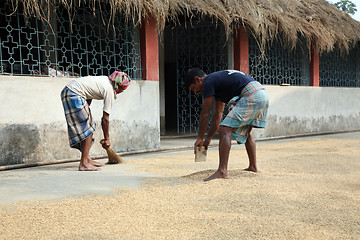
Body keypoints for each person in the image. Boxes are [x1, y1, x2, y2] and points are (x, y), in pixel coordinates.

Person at [185, 68, 269, 181]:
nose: (196, 92)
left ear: (198, 79)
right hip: (262, 93)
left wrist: (200, 137)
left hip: (251, 94)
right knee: (246, 132)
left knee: (225, 129)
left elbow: (205, 113)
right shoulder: (217, 83)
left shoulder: (207, 82)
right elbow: (217, 115)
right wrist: (208, 138)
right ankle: (253, 167)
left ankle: (222, 171)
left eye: (194, 88)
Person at [61, 71, 131, 171]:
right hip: (74, 94)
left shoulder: (104, 80)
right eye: (122, 90)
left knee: (87, 128)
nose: (121, 92)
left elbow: (89, 94)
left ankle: (87, 159)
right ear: (118, 86)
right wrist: (107, 139)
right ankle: (84, 163)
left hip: (68, 92)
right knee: (88, 130)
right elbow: (105, 119)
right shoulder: (109, 90)